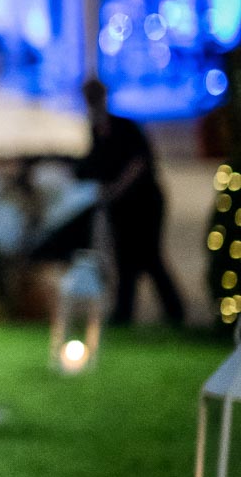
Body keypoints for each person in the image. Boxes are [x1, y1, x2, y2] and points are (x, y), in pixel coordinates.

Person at [76, 78, 185, 325]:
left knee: (149, 256)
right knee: (126, 258)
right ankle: (126, 312)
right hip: (122, 206)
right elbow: (94, 165)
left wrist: (117, 188)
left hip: (144, 202)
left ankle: (173, 310)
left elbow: (140, 162)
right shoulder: (96, 130)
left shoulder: (123, 126)